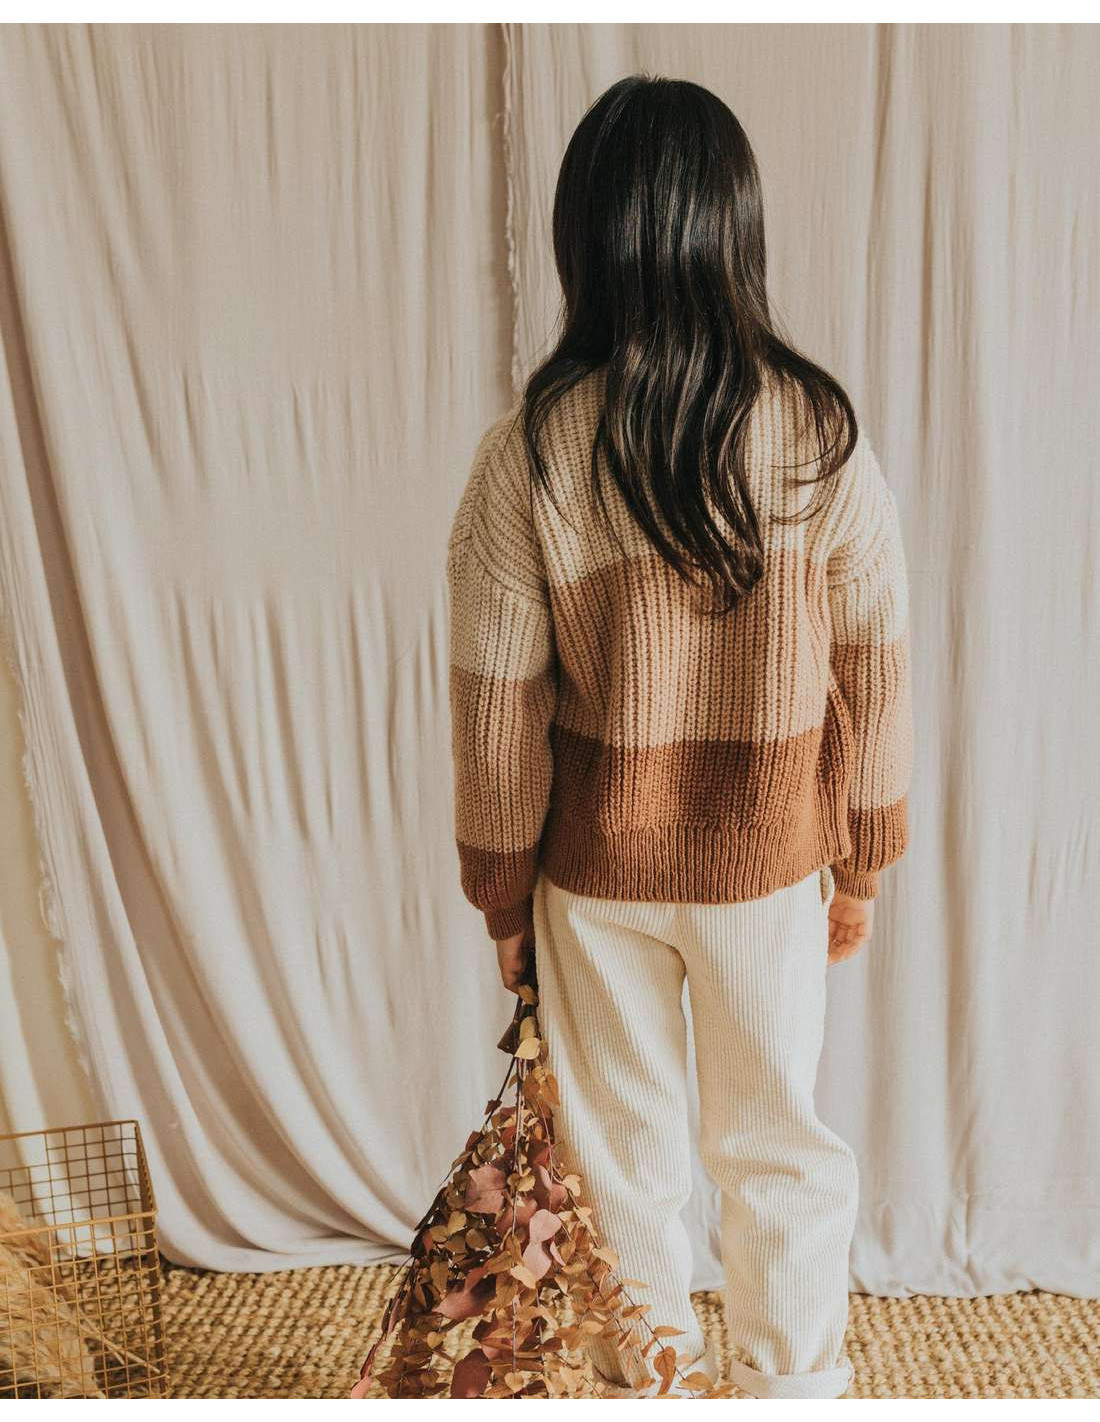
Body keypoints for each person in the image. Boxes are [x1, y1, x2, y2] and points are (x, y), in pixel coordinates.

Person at [445, 74, 912, 1401]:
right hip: (768, 869)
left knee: (622, 1161)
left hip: (596, 876)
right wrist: (863, 857)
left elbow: (494, 705)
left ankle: (645, 1392)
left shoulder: (532, 454)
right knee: (780, 1149)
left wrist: (502, 891)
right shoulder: (818, 437)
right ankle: (791, 1390)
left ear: (583, 239)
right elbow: (878, 665)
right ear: (735, 231)